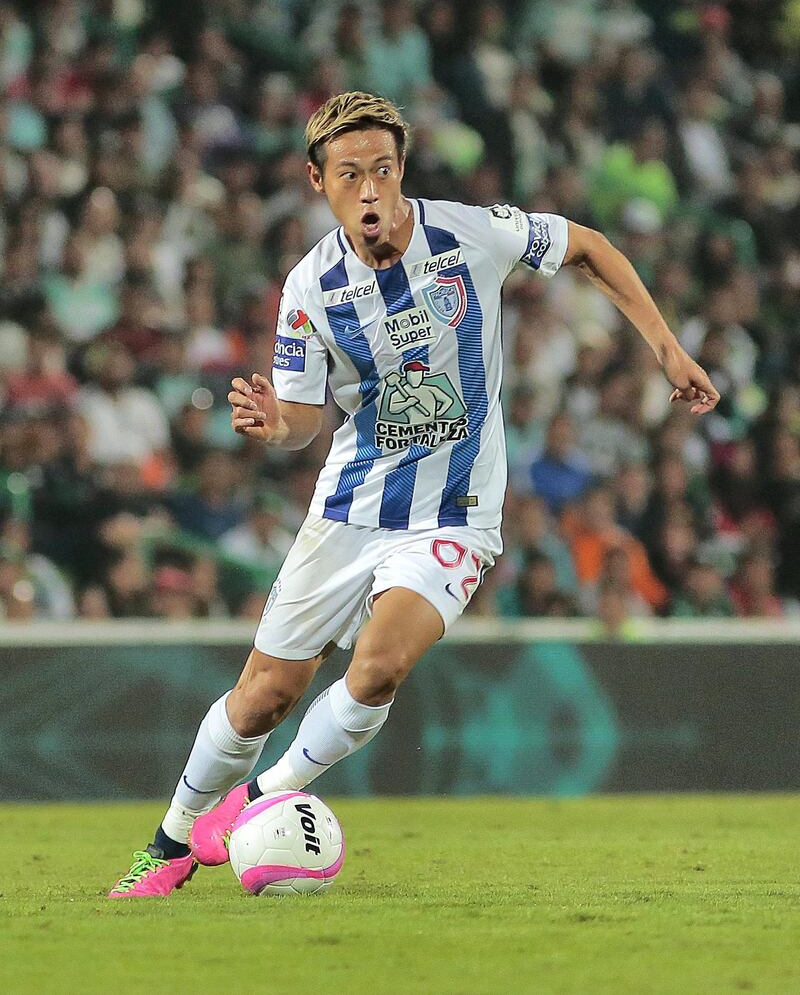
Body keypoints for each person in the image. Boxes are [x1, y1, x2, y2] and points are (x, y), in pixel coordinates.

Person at [109, 91, 719, 896]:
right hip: (350, 510)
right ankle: (170, 840)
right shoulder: (309, 288)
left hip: (457, 513)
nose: (370, 190)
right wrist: (272, 424)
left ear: (403, 171)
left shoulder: (472, 233)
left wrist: (668, 350)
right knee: (262, 696)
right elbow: (301, 419)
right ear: (316, 180)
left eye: (384, 171)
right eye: (351, 174)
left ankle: (257, 797)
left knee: (379, 666)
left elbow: (591, 248)